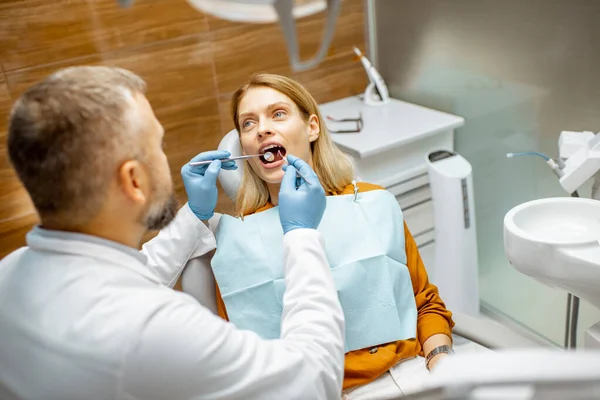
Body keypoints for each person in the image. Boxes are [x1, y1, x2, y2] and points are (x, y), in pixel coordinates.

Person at [0, 66, 346, 400]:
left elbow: (130, 273)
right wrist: (301, 236)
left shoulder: (9, 274)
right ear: (134, 180)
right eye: (158, 146)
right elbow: (311, 384)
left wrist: (194, 215)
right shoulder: (156, 329)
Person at [181, 73, 456, 399]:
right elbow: (240, 356)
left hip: (409, 375)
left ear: (312, 127)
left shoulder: (373, 202)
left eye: (278, 114)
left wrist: (441, 361)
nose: (262, 129)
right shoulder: (233, 240)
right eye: (248, 124)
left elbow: (425, 304)